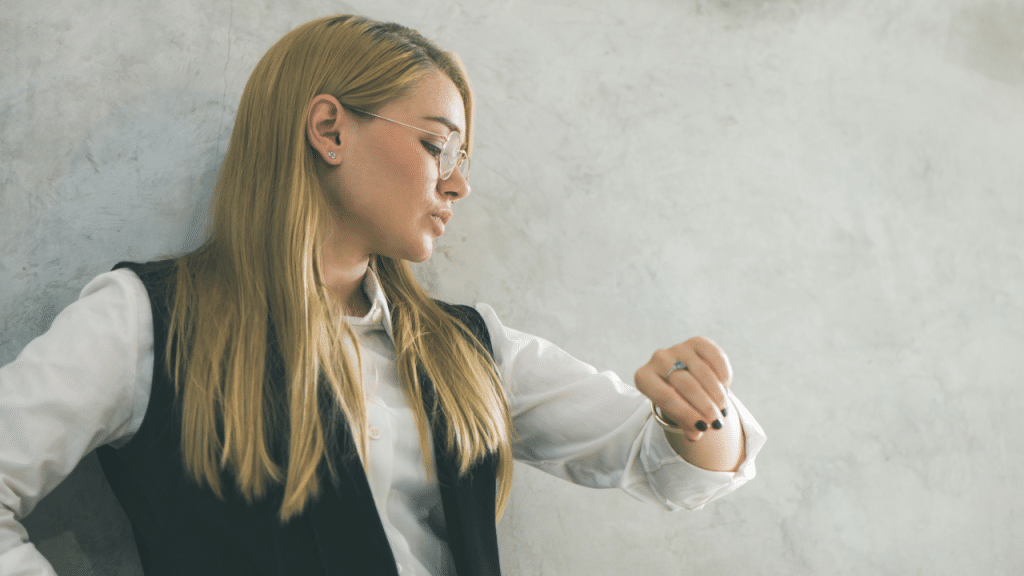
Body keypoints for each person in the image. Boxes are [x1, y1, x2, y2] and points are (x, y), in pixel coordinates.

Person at [0, 14, 766, 576]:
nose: (461, 183)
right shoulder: (145, 320)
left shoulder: (470, 347)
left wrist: (699, 412)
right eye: (440, 145)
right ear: (329, 130)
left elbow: (666, 466)